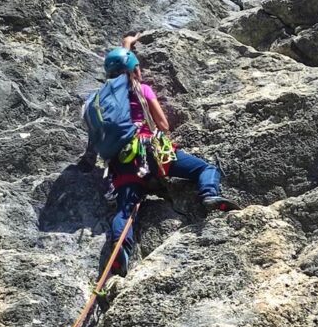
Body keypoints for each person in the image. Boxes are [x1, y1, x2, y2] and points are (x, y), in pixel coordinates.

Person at [94, 33, 237, 277]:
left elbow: (122, 62)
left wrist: (127, 44)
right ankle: (209, 194)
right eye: (137, 67)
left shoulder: (102, 99)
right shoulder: (143, 89)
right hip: (152, 153)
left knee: (125, 211)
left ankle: (121, 252)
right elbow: (163, 124)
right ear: (133, 71)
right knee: (205, 168)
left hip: (123, 162)